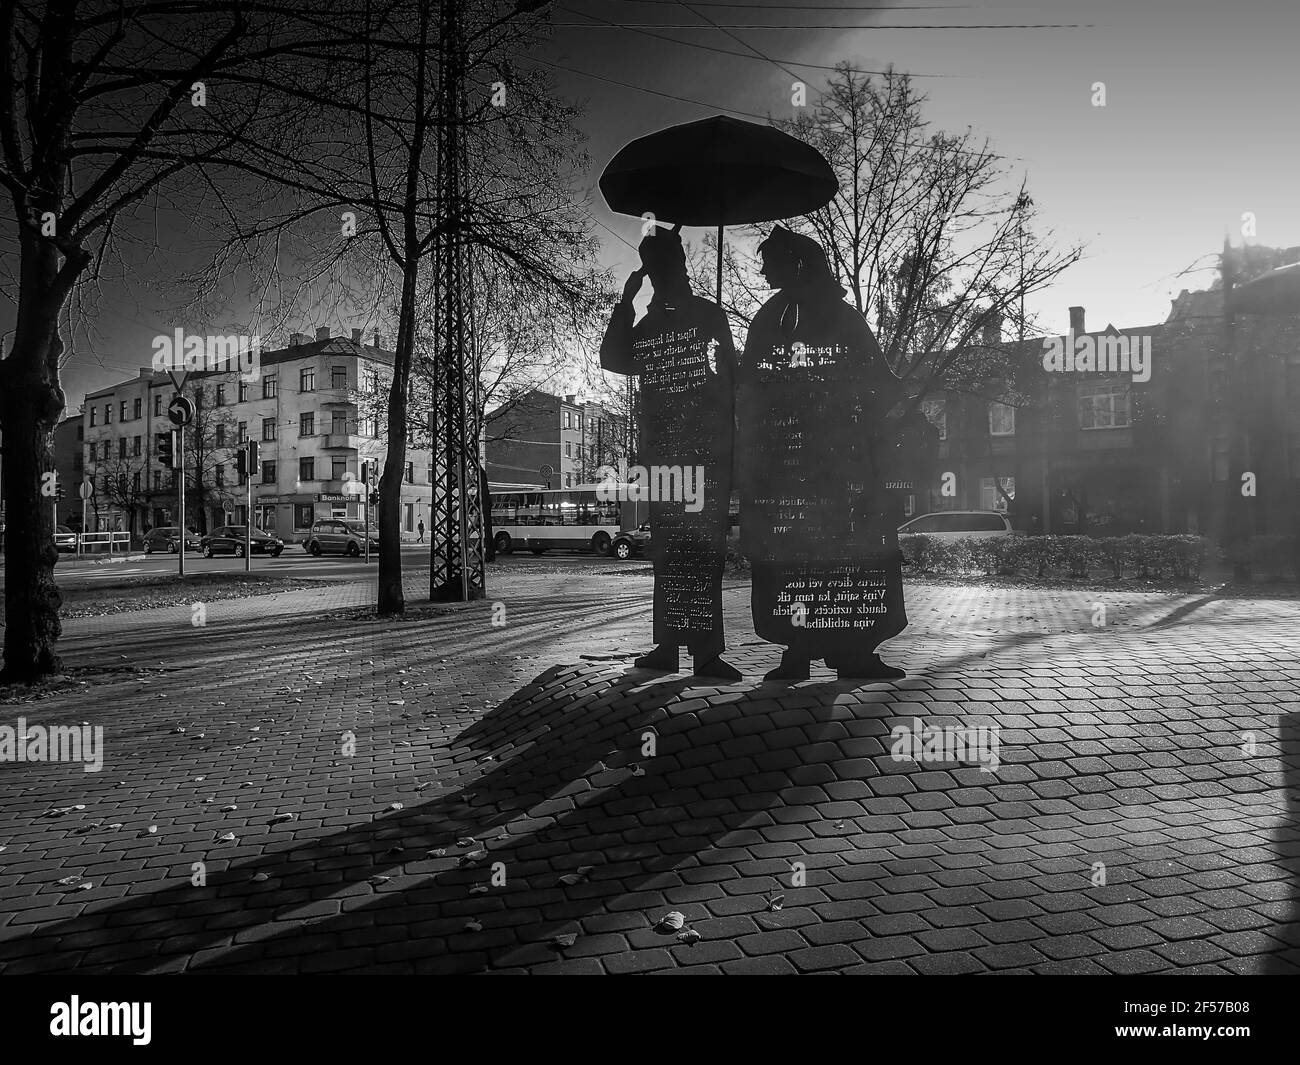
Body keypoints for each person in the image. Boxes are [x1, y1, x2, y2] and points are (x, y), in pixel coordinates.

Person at [737, 225, 919, 681]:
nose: (762, 269)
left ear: (796, 263)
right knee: (793, 556)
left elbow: (878, 382)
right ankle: (798, 649)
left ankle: (850, 651)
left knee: (846, 556)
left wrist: (854, 421)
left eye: (769, 260)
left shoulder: (842, 318)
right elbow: (751, 390)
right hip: (789, 463)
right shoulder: (769, 320)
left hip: (840, 464)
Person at [600, 223, 740, 680]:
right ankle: (668, 647)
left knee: (703, 551)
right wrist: (626, 300)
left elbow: (735, 377)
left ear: (679, 265)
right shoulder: (651, 323)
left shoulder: (708, 315)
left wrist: (720, 380)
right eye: (653, 271)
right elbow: (613, 359)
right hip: (666, 453)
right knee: (670, 551)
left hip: (703, 450)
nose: (661, 278)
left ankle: (705, 654)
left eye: (664, 267)